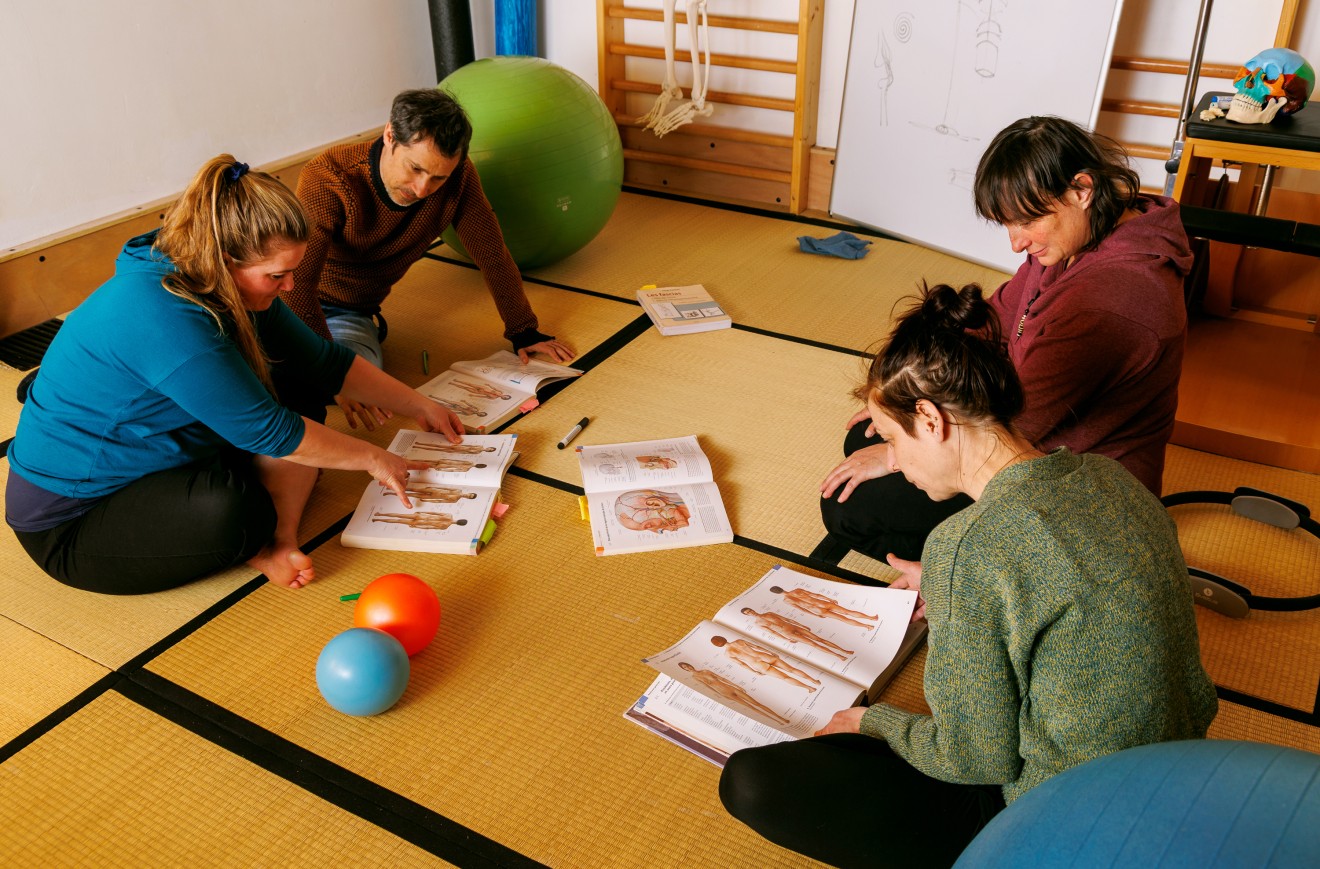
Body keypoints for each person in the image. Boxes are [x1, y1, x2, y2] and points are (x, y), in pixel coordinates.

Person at [721, 283, 1216, 869]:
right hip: (1182, 777)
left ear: (930, 419)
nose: (895, 463)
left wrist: (872, 721)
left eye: (893, 440)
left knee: (751, 780)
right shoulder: (1112, 479)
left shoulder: (966, 546)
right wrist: (959, 587)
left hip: (1066, 819)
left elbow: (977, 757)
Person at [4, 156, 465, 595]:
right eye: (278, 276)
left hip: (159, 447)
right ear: (227, 261)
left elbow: (323, 362)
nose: (290, 287)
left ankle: (278, 539)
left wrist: (422, 405)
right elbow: (269, 431)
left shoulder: (214, 275)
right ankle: (260, 538)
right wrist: (373, 458)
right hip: (75, 516)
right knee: (238, 514)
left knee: (298, 380)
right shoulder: (165, 316)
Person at [821, 116, 1192, 562]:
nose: (1016, 244)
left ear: (1081, 189)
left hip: (1071, 490)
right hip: (1025, 433)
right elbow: (992, 321)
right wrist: (903, 397)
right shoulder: (1080, 238)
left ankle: (980, 569)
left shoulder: (1110, 301)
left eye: (1027, 221)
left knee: (849, 510)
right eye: (1006, 224)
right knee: (868, 435)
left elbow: (1016, 426)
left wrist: (899, 452)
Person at [281, 88, 574, 429]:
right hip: (287, 303)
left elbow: (491, 252)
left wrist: (523, 330)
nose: (422, 189)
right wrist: (328, 369)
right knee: (286, 375)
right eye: (415, 168)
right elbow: (295, 283)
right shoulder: (329, 177)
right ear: (390, 135)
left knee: (365, 377)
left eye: (438, 177)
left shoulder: (459, 177)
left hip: (350, 312)